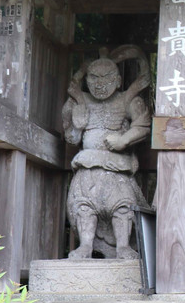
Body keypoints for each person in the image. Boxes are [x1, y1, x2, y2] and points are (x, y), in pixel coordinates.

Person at [62, 45, 151, 260]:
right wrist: (76, 122)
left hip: (117, 167)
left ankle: (123, 246)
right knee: (84, 206)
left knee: (123, 205)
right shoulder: (80, 100)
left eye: (107, 77)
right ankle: (85, 245)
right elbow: (72, 138)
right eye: (94, 78)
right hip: (87, 165)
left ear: (119, 80)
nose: (100, 84)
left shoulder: (128, 100)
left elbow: (143, 125)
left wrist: (123, 140)